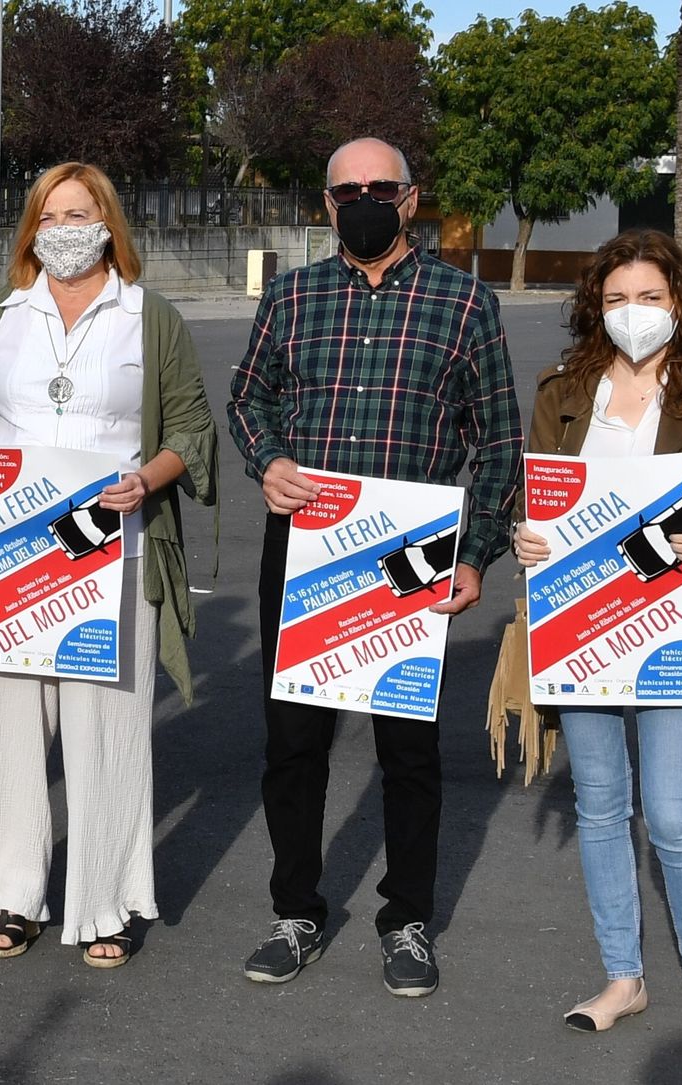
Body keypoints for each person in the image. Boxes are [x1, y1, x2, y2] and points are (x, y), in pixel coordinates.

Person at [227, 137, 523, 993]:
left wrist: (475, 553)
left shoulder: (464, 303)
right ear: (326, 204)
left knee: (408, 752)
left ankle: (408, 920)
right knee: (294, 745)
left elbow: (498, 441)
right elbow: (250, 396)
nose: (363, 199)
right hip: (308, 547)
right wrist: (268, 459)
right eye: (346, 188)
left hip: (410, 553)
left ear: (410, 198)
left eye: (380, 187)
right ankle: (296, 910)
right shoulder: (291, 296)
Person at [0, 162, 217, 967]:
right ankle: (14, 893)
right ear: (32, 229)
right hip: (13, 550)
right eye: (51, 216)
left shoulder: (148, 317)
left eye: (81, 214)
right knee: (7, 723)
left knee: (108, 730)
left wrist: (147, 480)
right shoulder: (1, 311)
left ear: (109, 224)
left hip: (114, 553)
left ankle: (108, 900)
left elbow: (190, 427)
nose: (65, 229)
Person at [513, 228, 682, 1060]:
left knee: (670, 814)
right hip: (580, 620)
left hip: (674, 620)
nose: (634, 313)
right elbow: (543, 496)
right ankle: (624, 978)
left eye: (651, 298)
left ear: (681, 304)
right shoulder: (564, 389)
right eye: (618, 297)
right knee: (599, 805)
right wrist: (528, 537)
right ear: (598, 304)